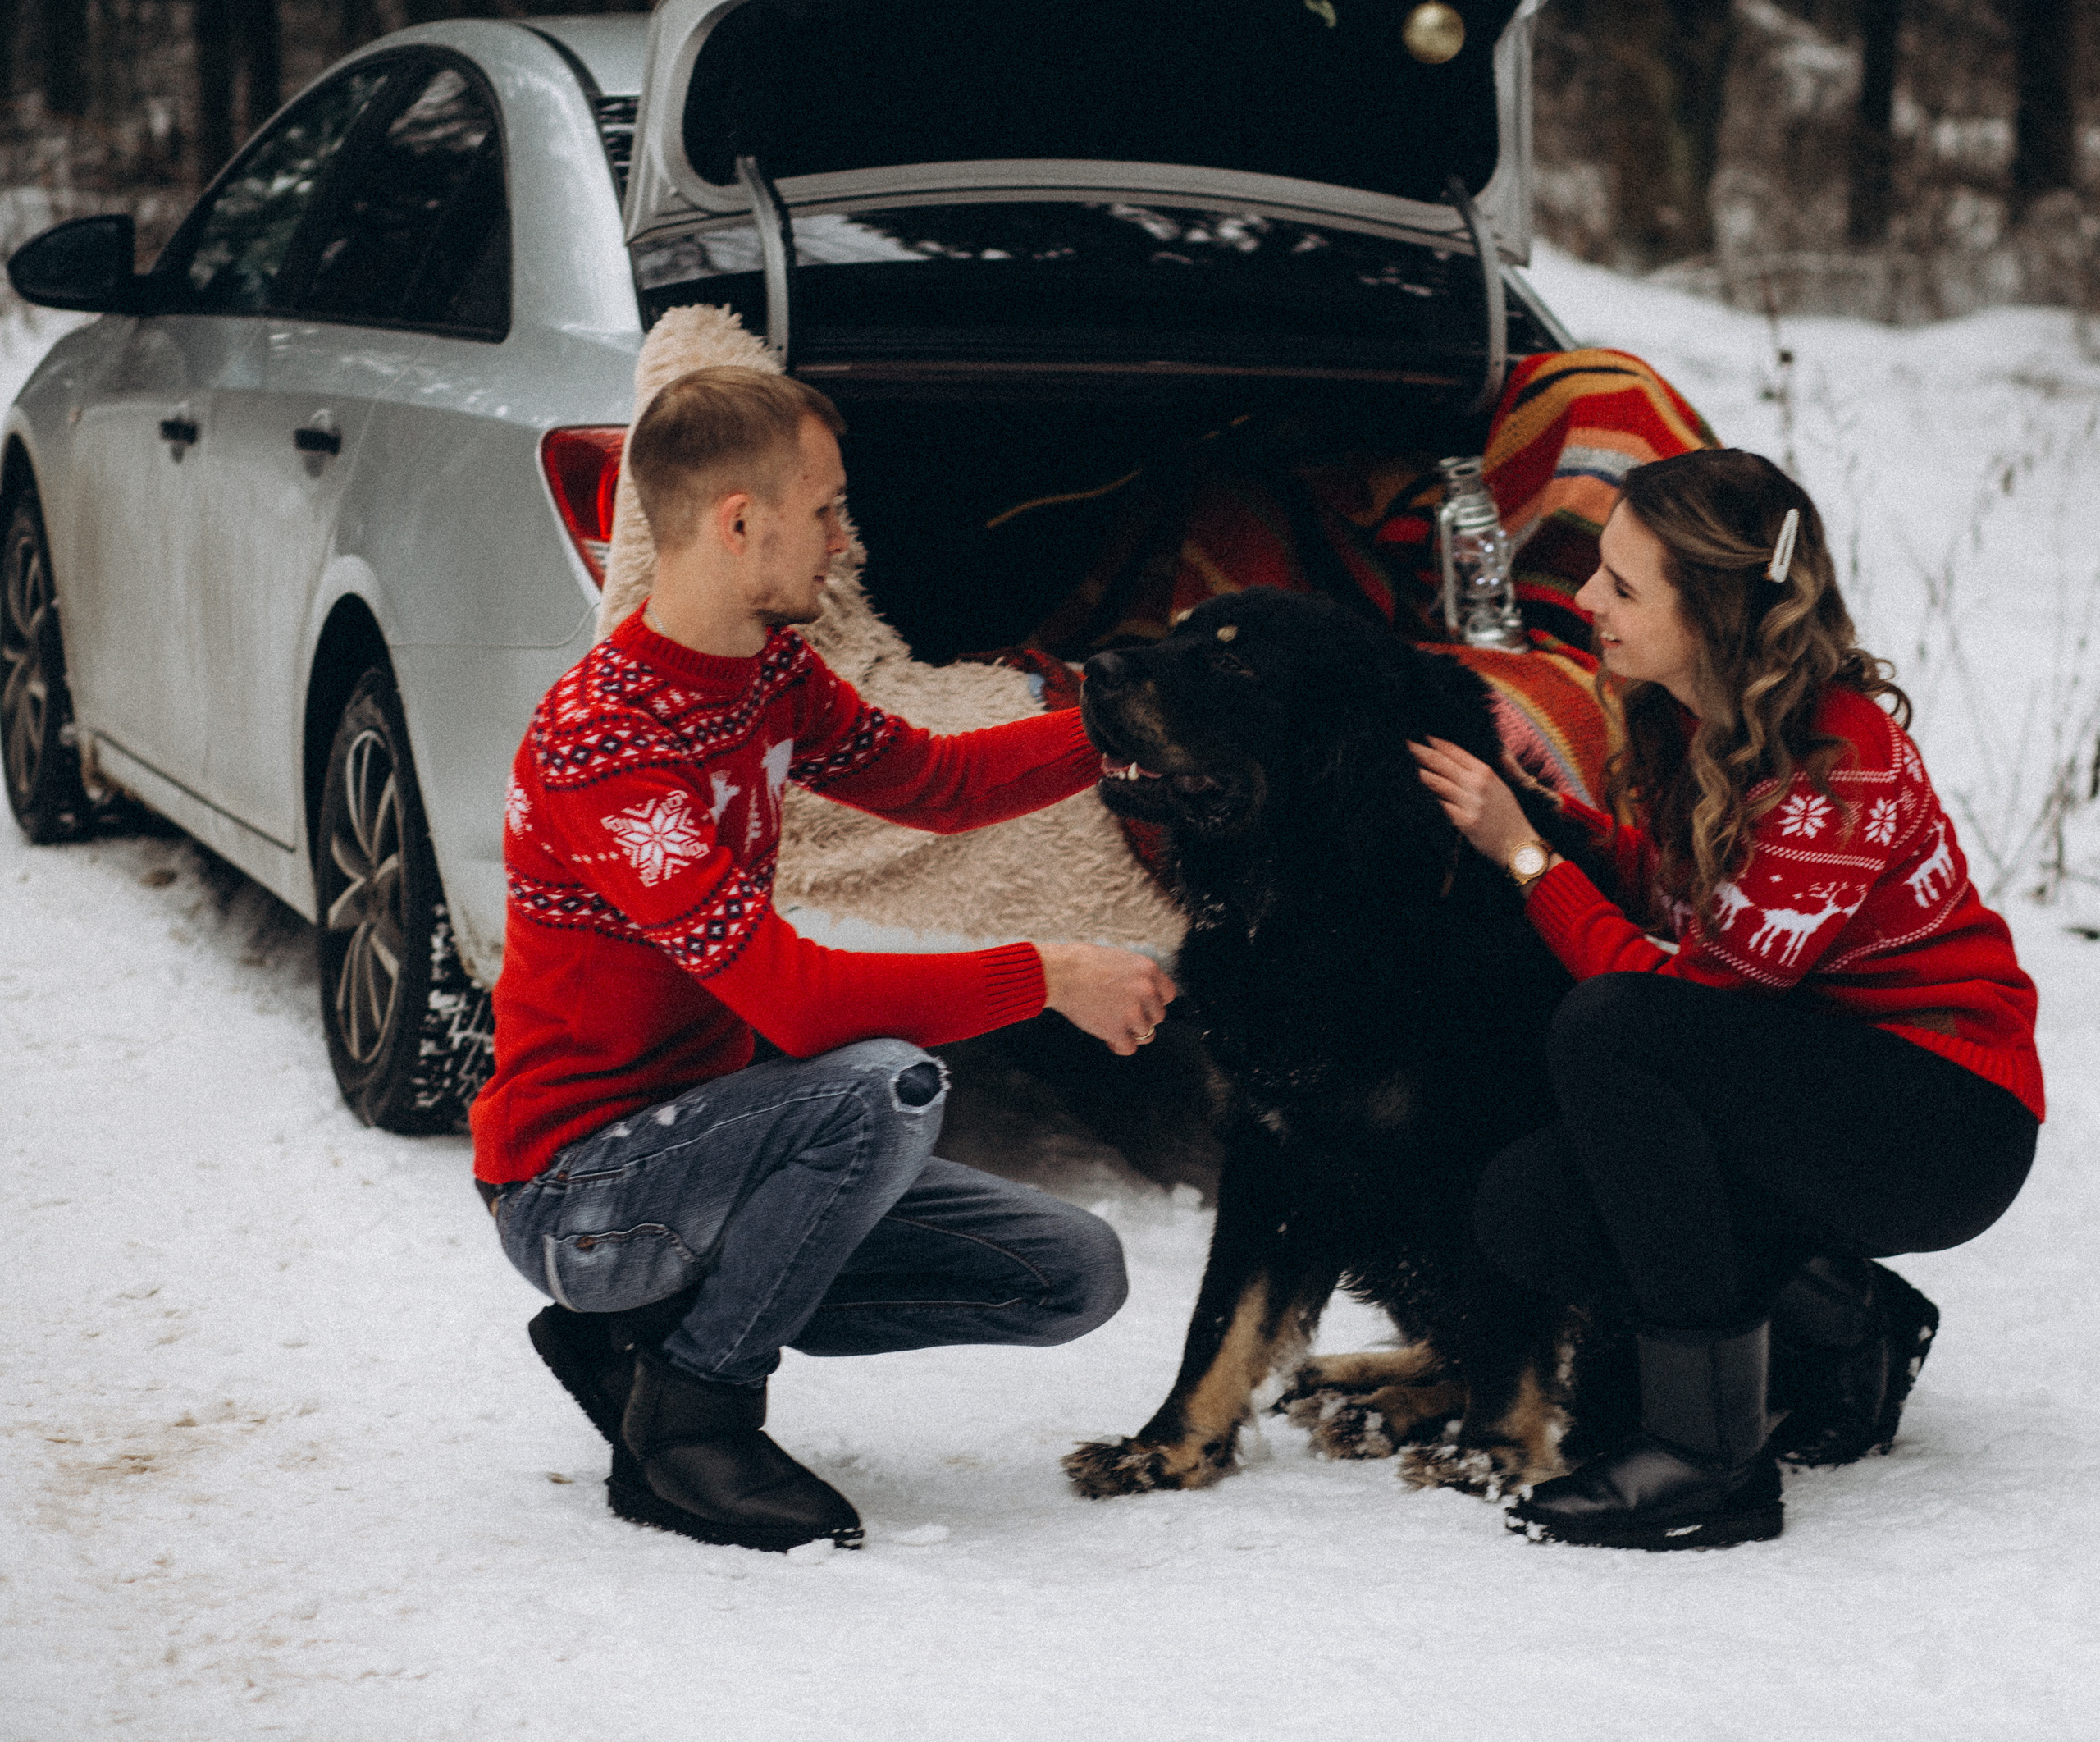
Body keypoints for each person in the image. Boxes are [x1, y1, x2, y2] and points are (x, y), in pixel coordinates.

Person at [470, 366, 1175, 1553]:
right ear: (741, 523)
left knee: (1070, 1273)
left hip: (715, 1149)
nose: (846, 545)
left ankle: (639, 1339)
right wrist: (1049, 974)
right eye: (828, 512)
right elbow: (795, 1004)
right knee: (879, 1086)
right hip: (576, 1194)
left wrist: (1125, 733)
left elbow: (940, 788)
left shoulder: (768, 678)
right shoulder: (606, 745)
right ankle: (691, 1419)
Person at [1410, 448, 2041, 1552]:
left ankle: (1712, 1461)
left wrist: (1527, 865)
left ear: (1709, 609)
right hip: (1818, 1086)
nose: (1587, 600)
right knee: (1527, 1205)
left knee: (1611, 1029)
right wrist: (1552, 821)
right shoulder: (1707, 727)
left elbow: (1678, 1002)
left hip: (1941, 1114)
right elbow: (1686, 901)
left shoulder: (1839, 765)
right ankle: (1843, 1323)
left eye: (1621, 584)